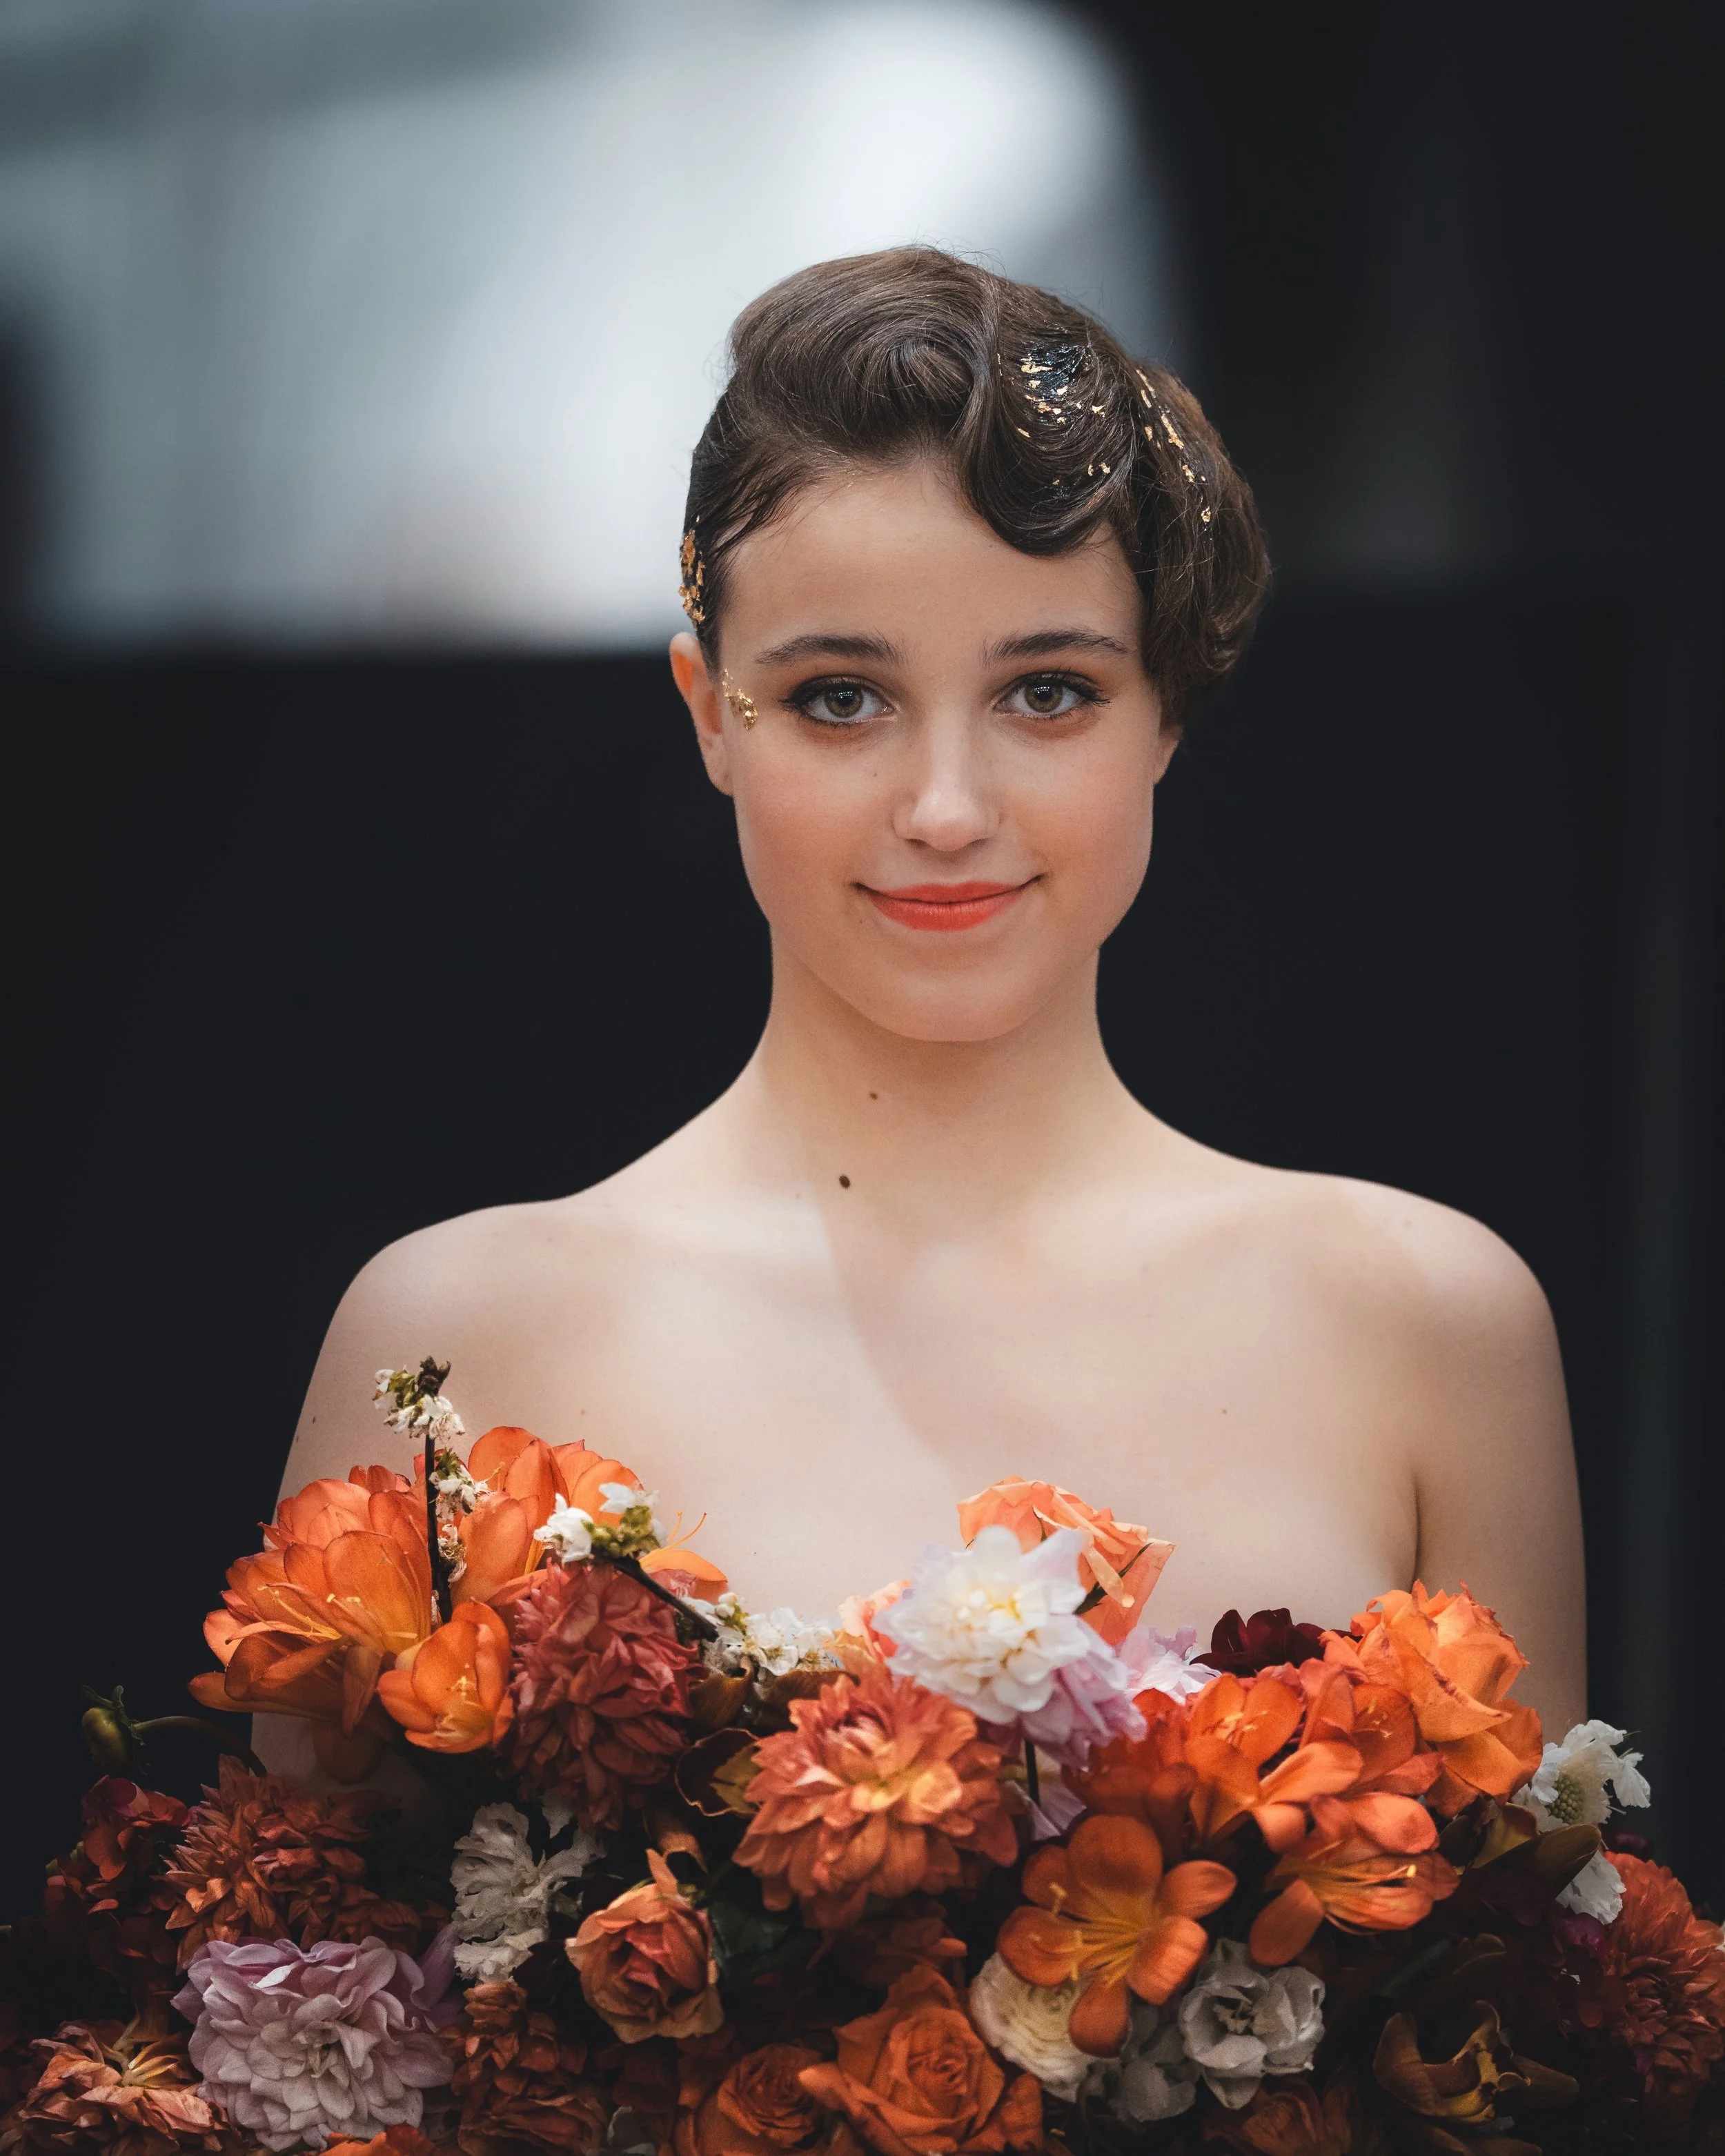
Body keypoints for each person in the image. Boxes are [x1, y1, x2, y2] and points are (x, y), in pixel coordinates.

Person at [270, 248, 1584, 1773]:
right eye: (840, 695)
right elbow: (304, 1986)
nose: (947, 808)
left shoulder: (1427, 1327)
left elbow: (1525, 1996)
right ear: (710, 714)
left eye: (1047, 691)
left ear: (1165, 707)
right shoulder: (452, 1344)